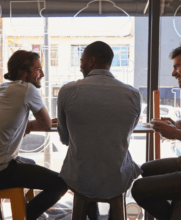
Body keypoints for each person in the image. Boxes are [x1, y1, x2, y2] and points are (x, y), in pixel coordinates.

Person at [57, 41, 142, 220]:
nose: (80, 65)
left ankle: (91, 213)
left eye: (81, 61)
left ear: (91, 61)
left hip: (80, 175)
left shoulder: (67, 91)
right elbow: (127, 132)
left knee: (86, 162)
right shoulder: (133, 94)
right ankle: (115, 214)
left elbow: (65, 138)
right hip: (116, 176)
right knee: (118, 161)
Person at [0, 50, 68, 220]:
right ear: (24, 71)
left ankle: (20, 212)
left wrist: (29, 125)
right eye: (38, 69)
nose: (42, 74)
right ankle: (25, 216)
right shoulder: (27, 89)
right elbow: (46, 125)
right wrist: (32, 125)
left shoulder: (4, 88)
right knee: (61, 183)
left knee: (29, 162)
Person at [131, 45, 181, 220]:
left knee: (139, 189)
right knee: (147, 169)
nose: (173, 73)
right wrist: (176, 125)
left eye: (176, 66)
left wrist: (175, 133)